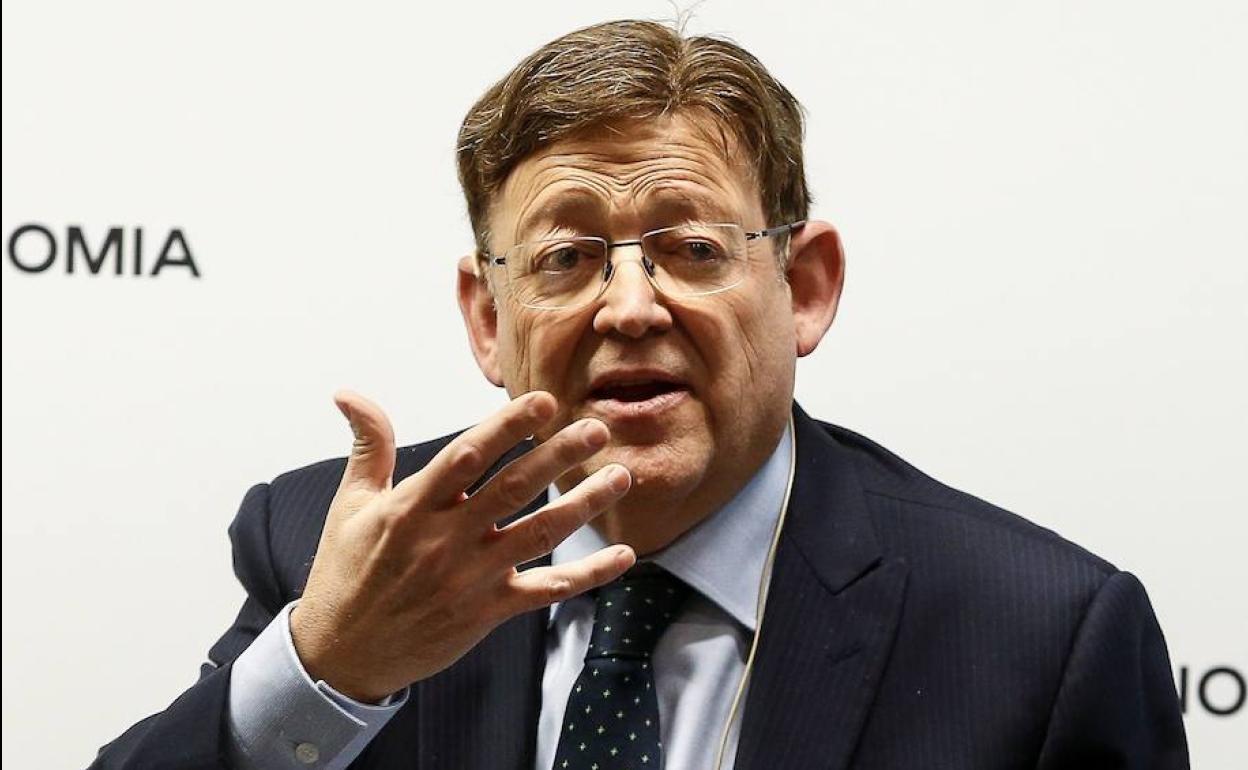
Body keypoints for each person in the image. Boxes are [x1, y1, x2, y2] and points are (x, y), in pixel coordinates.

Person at [91, 19, 1188, 770]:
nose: (628, 307)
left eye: (692, 248)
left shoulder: (1043, 635)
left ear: (805, 287)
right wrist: (332, 667)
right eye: (566, 258)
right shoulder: (339, 551)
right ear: (488, 318)